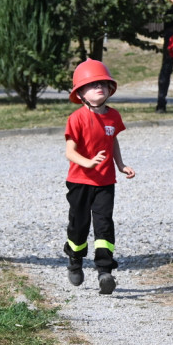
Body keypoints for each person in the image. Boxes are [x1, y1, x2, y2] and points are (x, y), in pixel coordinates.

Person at [64, 59, 136, 295]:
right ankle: (75, 260)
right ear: (81, 92)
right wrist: (88, 162)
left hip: (105, 183)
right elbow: (69, 151)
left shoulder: (113, 116)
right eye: (93, 84)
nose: (100, 88)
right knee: (79, 226)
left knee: (104, 227)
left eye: (104, 84)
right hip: (80, 182)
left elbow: (112, 139)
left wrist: (121, 164)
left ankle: (105, 271)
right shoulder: (77, 118)